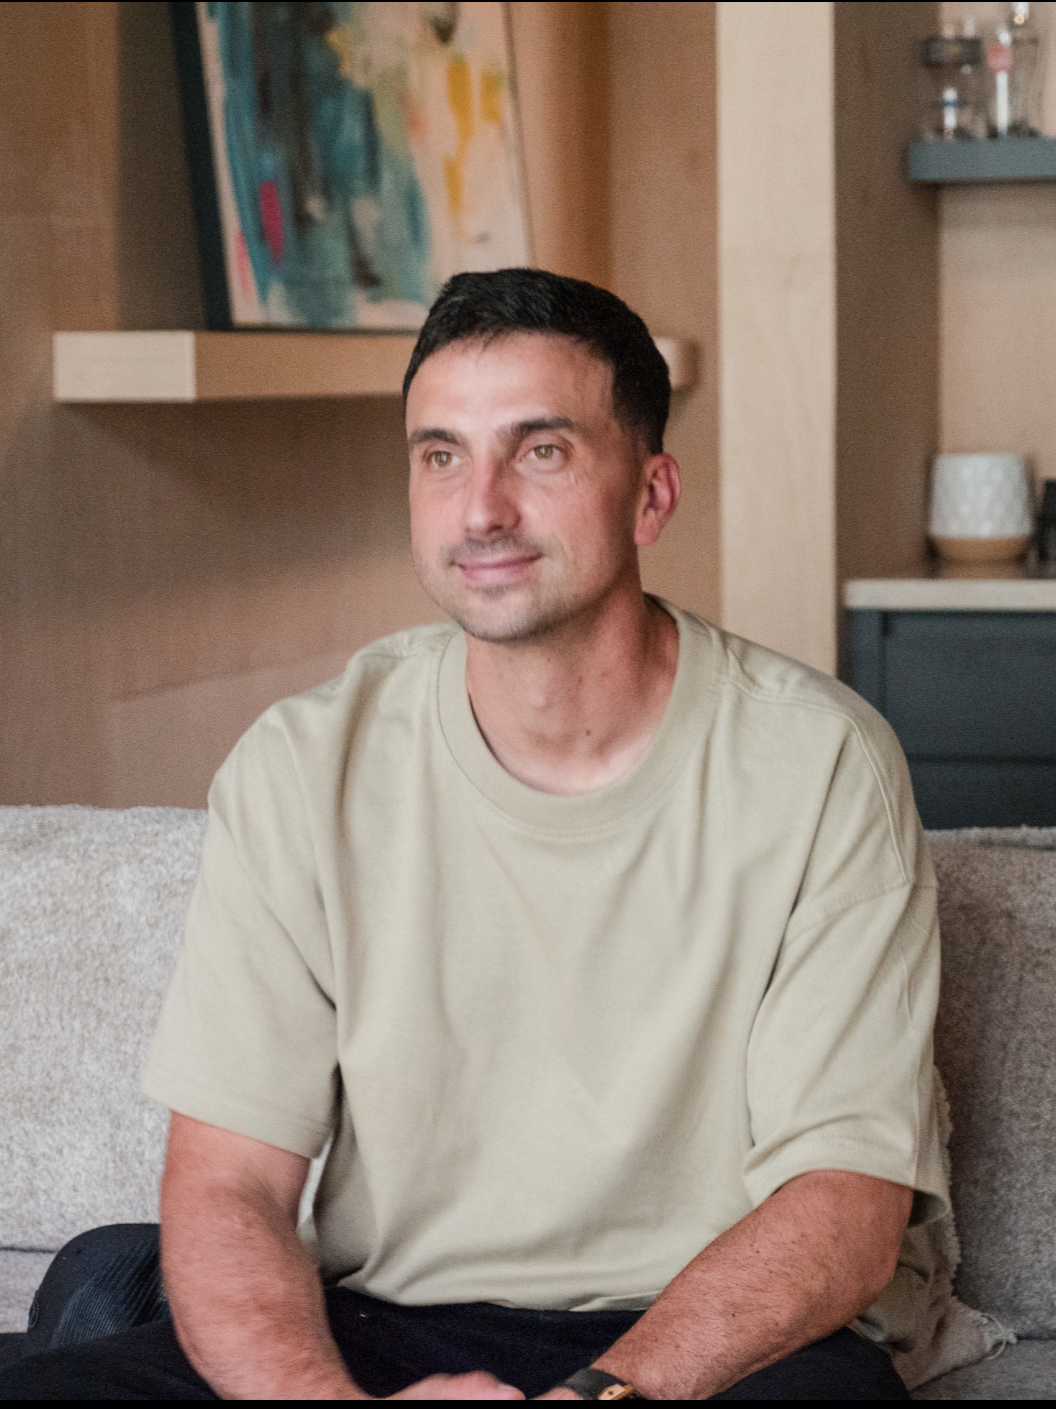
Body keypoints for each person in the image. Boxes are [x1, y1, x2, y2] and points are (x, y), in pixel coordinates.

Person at [1, 269, 945, 1401]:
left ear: (651, 494)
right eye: (440, 455)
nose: (481, 507)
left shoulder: (824, 765)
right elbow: (230, 1184)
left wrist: (599, 1397)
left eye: (539, 451)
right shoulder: (304, 766)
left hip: (706, 1339)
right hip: (383, 1325)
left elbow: (844, 1208)